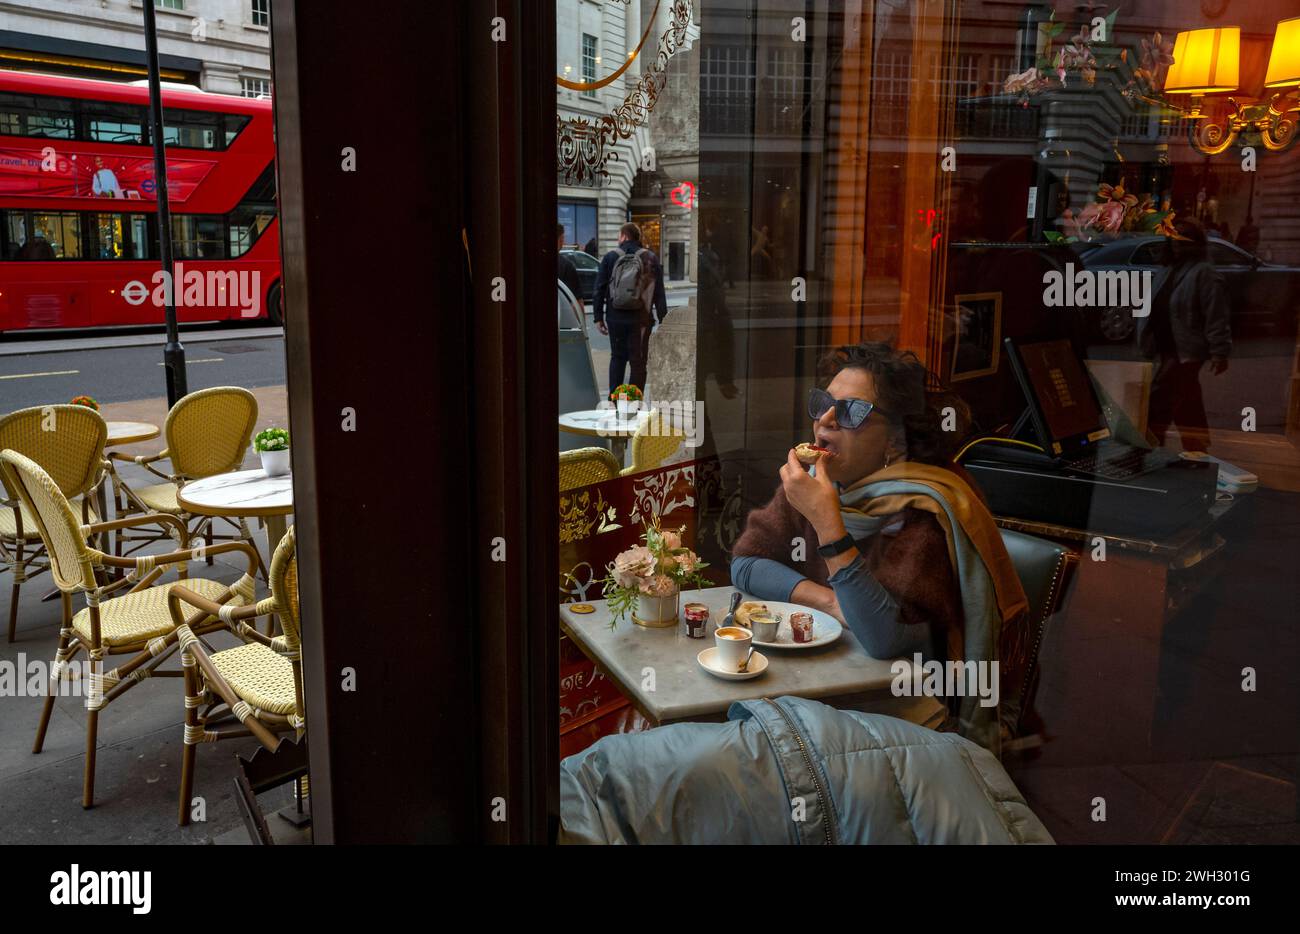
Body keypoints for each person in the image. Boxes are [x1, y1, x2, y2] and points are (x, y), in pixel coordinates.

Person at [730, 342, 1027, 752]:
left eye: (851, 411)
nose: (826, 420)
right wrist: (832, 603)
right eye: (823, 404)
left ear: (895, 441)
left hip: (905, 718)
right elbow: (746, 562)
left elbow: (884, 637)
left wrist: (828, 526)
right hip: (824, 691)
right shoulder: (822, 482)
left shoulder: (924, 510)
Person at [559, 695, 1053, 844]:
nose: (823, 438)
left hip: (893, 724)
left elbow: (883, 628)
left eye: (853, 433)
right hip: (823, 753)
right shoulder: (801, 494)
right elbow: (750, 560)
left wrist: (831, 532)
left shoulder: (911, 519)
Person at [1140, 217, 1231, 453]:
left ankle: (1144, 448)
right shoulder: (1168, 269)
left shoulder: (1204, 273)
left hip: (1185, 350)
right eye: (1173, 237)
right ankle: (1196, 450)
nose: (1177, 243)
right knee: (1186, 400)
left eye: (1183, 238)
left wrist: (1219, 351)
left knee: (1159, 399)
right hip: (1167, 346)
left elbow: (1215, 314)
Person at [592, 222, 667, 394]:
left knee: (617, 358)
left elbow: (599, 289)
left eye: (619, 236)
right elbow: (659, 293)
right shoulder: (650, 258)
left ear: (624, 236)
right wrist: (663, 321)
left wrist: (598, 317)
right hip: (641, 320)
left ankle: (614, 403)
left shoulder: (610, 257)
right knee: (638, 362)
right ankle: (633, 404)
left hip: (615, 318)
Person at [556, 224, 583, 314]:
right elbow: (577, 302)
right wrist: (581, 326)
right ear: (560, 239)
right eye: (563, 238)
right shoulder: (566, 265)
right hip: (561, 320)